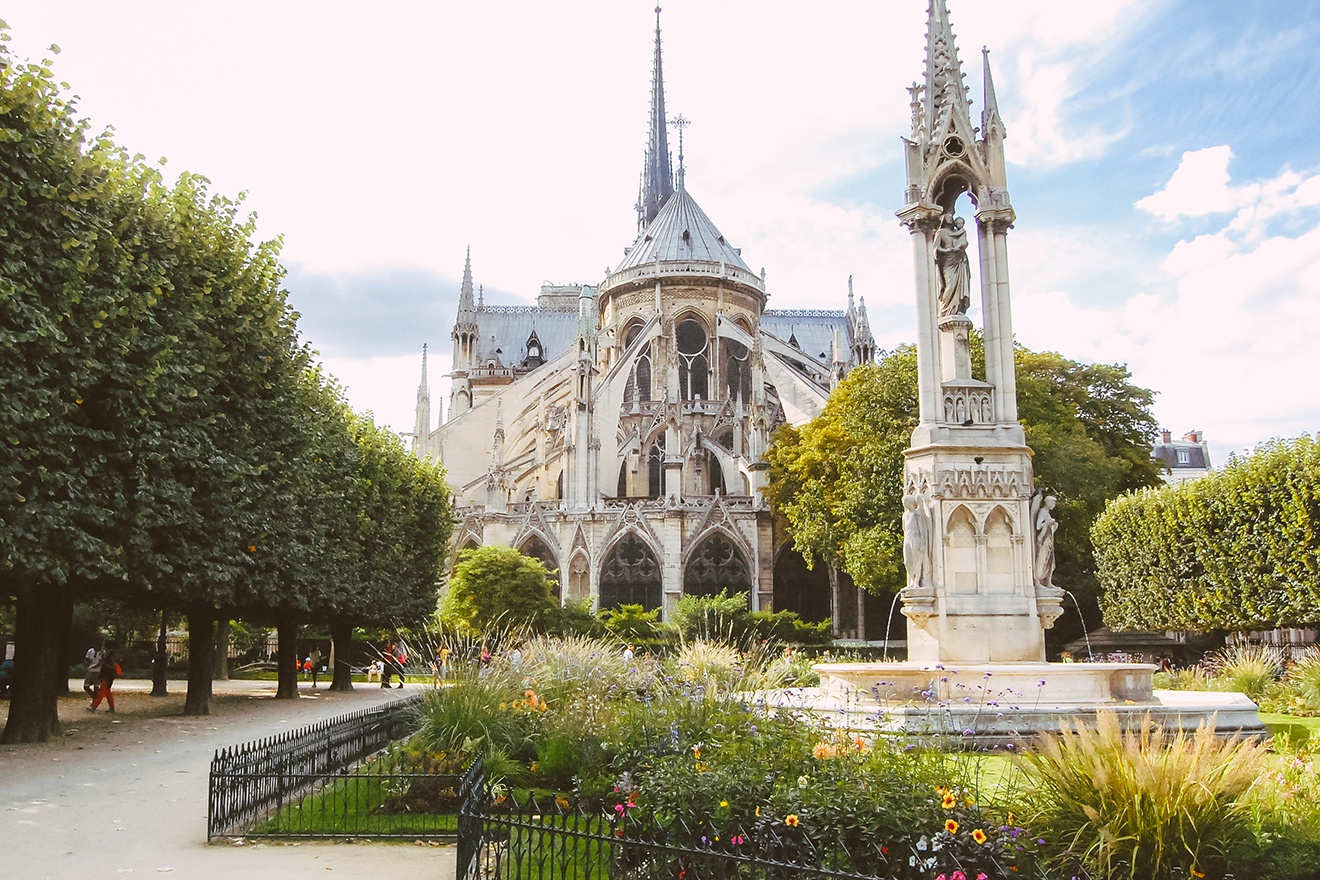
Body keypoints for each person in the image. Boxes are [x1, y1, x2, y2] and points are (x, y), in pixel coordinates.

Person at [935, 213, 971, 317]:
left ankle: (958, 308)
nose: (950, 217)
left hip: (959, 261)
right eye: (948, 216)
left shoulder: (958, 232)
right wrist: (946, 250)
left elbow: (963, 242)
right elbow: (936, 248)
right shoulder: (941, 232)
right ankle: (945, 309)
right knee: (950, 285)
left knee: (959, 285)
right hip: (948, 262)